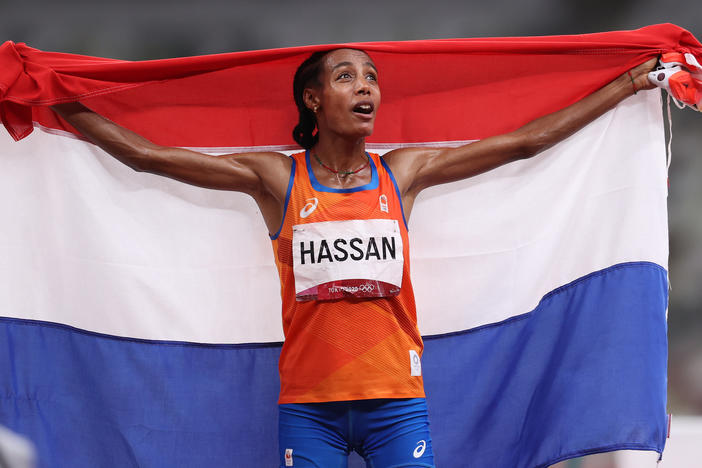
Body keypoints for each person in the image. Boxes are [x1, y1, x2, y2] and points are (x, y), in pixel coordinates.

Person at [51, 48, 657, 468]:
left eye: (370, 77)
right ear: (313, 99)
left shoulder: (405, 173)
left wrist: (632, 83)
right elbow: (148, 157)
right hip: (310, 407)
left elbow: (529, 141)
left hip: (396, 402)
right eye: (347, 77)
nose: (366, 86)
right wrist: (49, 98)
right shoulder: (276, 179)